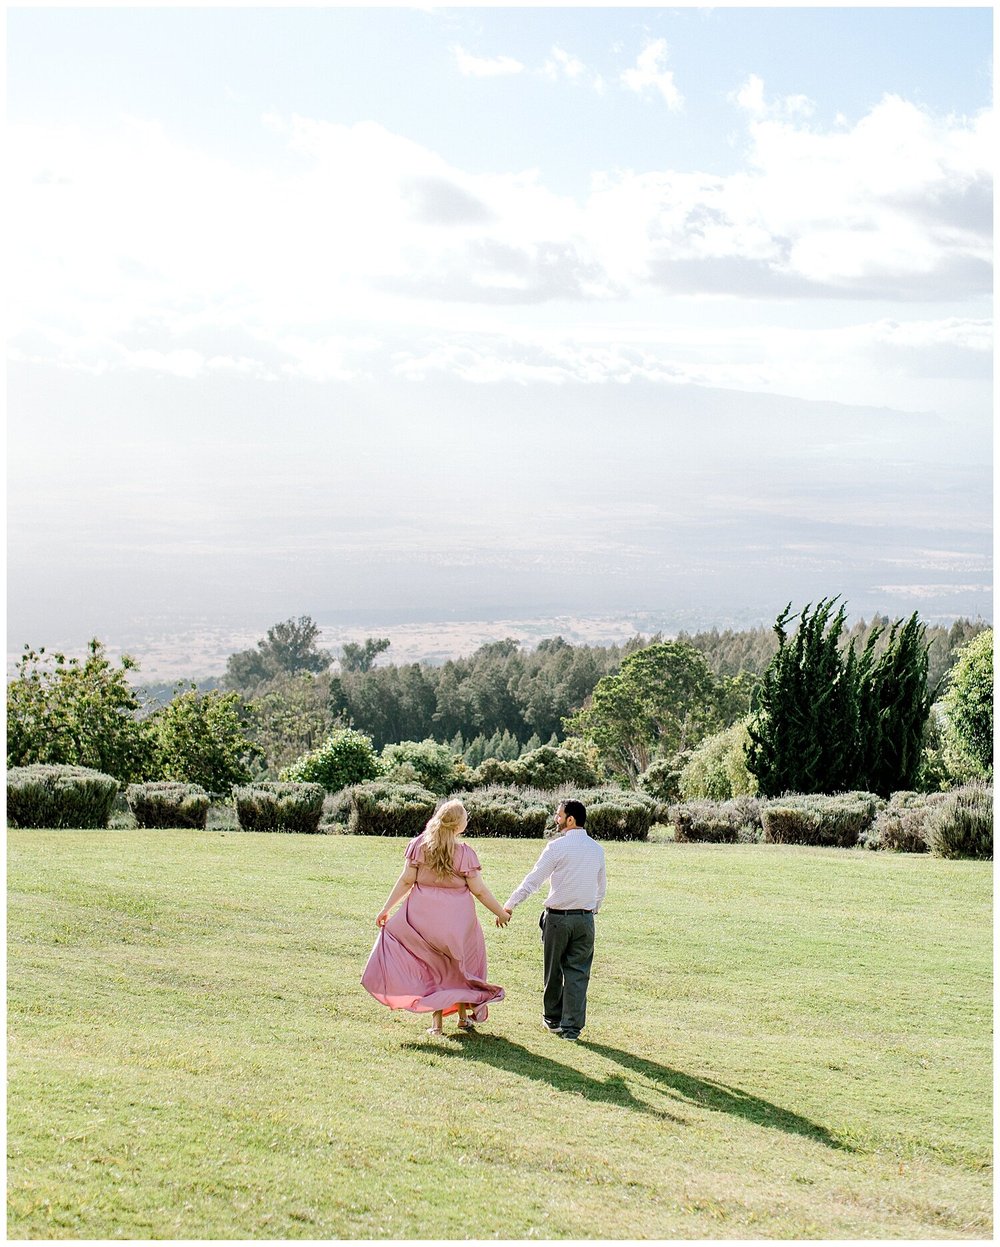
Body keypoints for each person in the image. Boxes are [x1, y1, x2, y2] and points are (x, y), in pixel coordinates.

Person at [361, 799, 509, 1037]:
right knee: (461, 965)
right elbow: (479, 890)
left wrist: (386, 908)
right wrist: (500, 912)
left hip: (423, 919)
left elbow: (406, 880)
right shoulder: (464, 853)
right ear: (459, 825)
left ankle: (437, 1025)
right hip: (458, 921)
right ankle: (462, 1018)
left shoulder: (419, 846)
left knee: (434, 968)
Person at [502, 799, 606, 1042]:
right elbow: (601, 888)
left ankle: (553, 1018)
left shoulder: (556, 848)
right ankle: (572, 1029)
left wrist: (510, 904)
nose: (556, 820)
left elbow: (533, 881)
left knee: (553, 970)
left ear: (570, 819)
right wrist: (593, 910)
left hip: (559, 919)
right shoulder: (597, 849)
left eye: (559, 816)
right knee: (578, 974)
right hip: (585, 919)